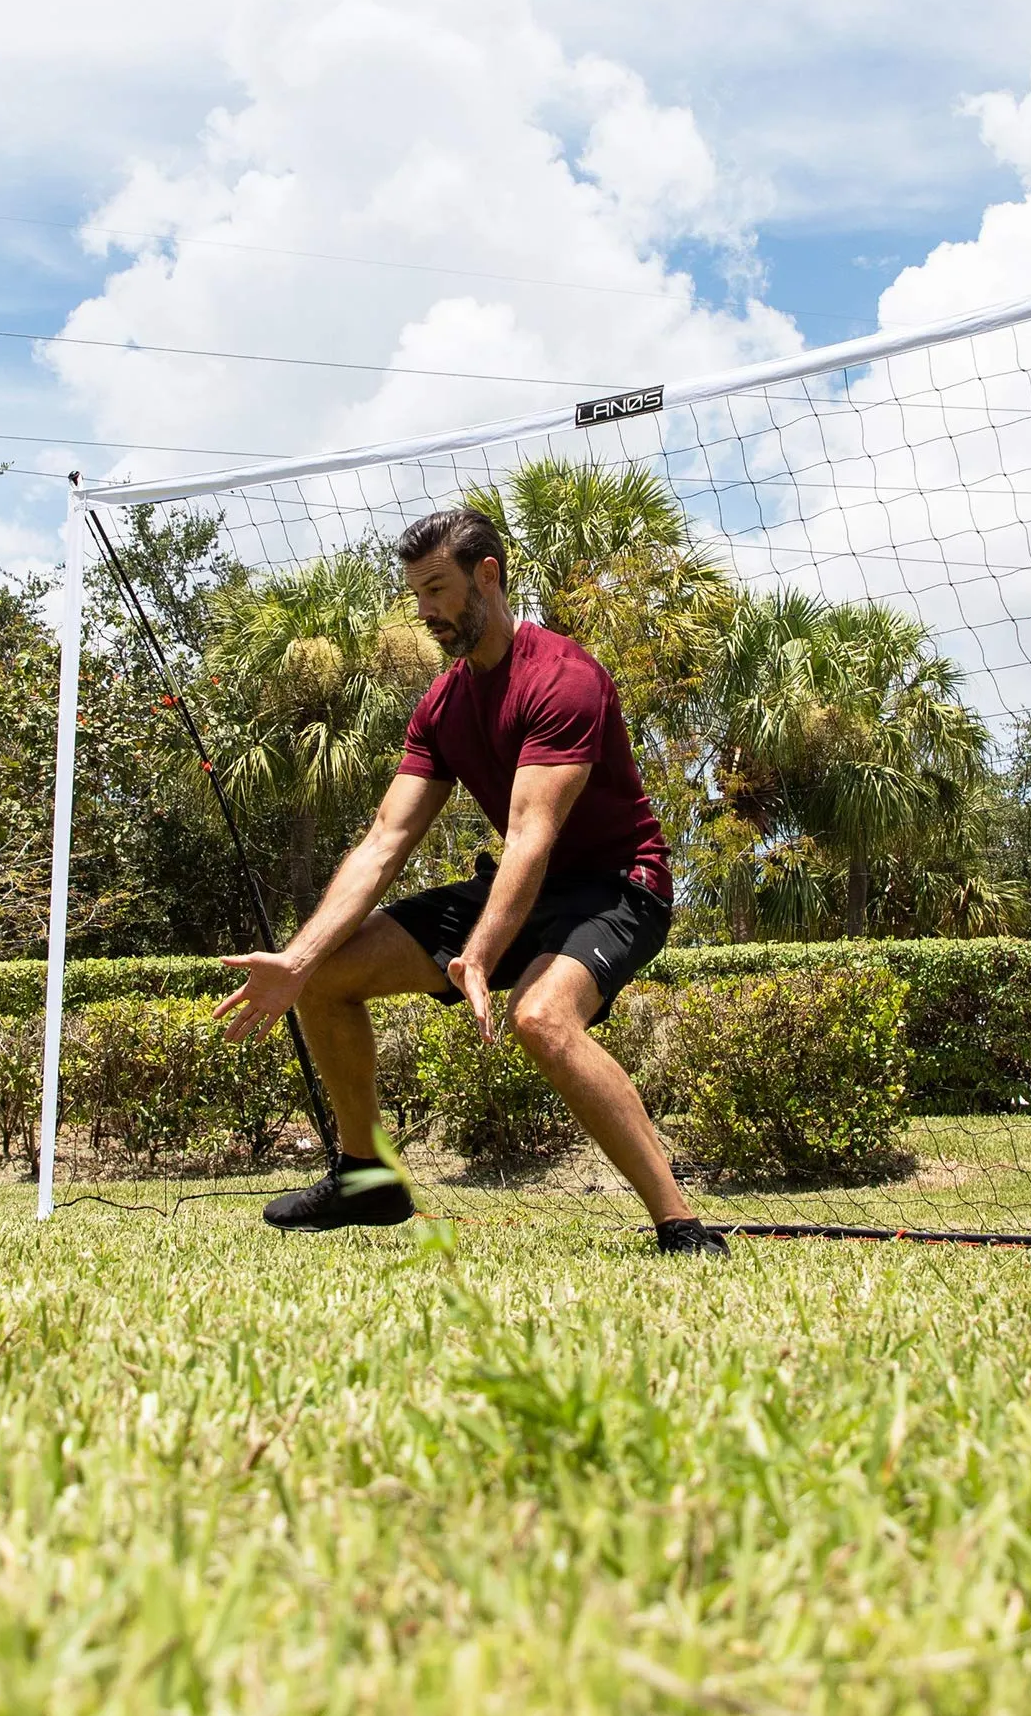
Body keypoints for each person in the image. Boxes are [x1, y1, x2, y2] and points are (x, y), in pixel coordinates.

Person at [213, 505, 725, 1256]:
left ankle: (679, 1223)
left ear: (488, 575)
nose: (425, 612)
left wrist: (481, 955)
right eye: (416, 595)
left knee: (542, 1018)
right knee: (326, 975)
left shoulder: (563, 679)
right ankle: (368, 1178)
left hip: (618, 888)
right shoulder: (443, 705)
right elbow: (386, 839)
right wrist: (296, 959)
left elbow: (531, 835)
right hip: (527, 887)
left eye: (437, 589)